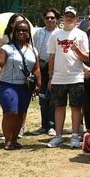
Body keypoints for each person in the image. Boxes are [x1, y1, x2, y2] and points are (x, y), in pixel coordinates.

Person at [0, 18, 41, 150]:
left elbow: (36, 68)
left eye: (25, 30)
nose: (21, 32)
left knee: (21, 113)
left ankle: (14, 139)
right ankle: (8, 140)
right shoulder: (6, 48)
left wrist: (38, 84)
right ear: (14, 32)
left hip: (24, 87)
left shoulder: (33, 50)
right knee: (11, 112)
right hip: (7, 84)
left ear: (28, 33)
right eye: (18, 30)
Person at [47, 6, 89, 149]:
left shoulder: (81, 34)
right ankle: (58, 136)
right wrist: (50, 77)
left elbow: (86, 58)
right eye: (67, 15)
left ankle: (75, 136)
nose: (69, 18)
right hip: (58, 77)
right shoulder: (55, 35)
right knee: (59, 107)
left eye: (72, 16)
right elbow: (51, 57)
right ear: (63, 18)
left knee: (76, 107)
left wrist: (76, 49)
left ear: (76, 18)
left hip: (76, 77)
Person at [30, 8, 59, 136]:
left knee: (53, 96)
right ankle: (43, 125)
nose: (50, 20)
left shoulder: (60, 33)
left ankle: (52, 125)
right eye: (47, 18)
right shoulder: (38, 33)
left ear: (57, 20)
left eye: (52, 18)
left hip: (55, 66)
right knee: (42, 96)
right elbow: (34, 50)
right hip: (40, 65)